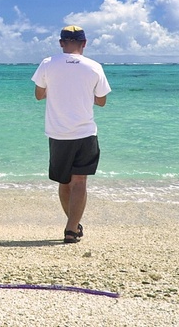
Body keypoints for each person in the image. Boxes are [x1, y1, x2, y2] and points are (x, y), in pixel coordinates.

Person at [32, 25, 111, 244]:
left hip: (58, 134)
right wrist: (84, 95)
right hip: (85, 133)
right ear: (84, 43)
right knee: (80, 181)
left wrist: (56, 92)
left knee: (64, 182)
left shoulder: (48, 63)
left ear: (61, 43)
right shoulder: (94, 67)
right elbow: (102, 101)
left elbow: (39, 94)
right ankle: (72, 228)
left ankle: (72, 226)